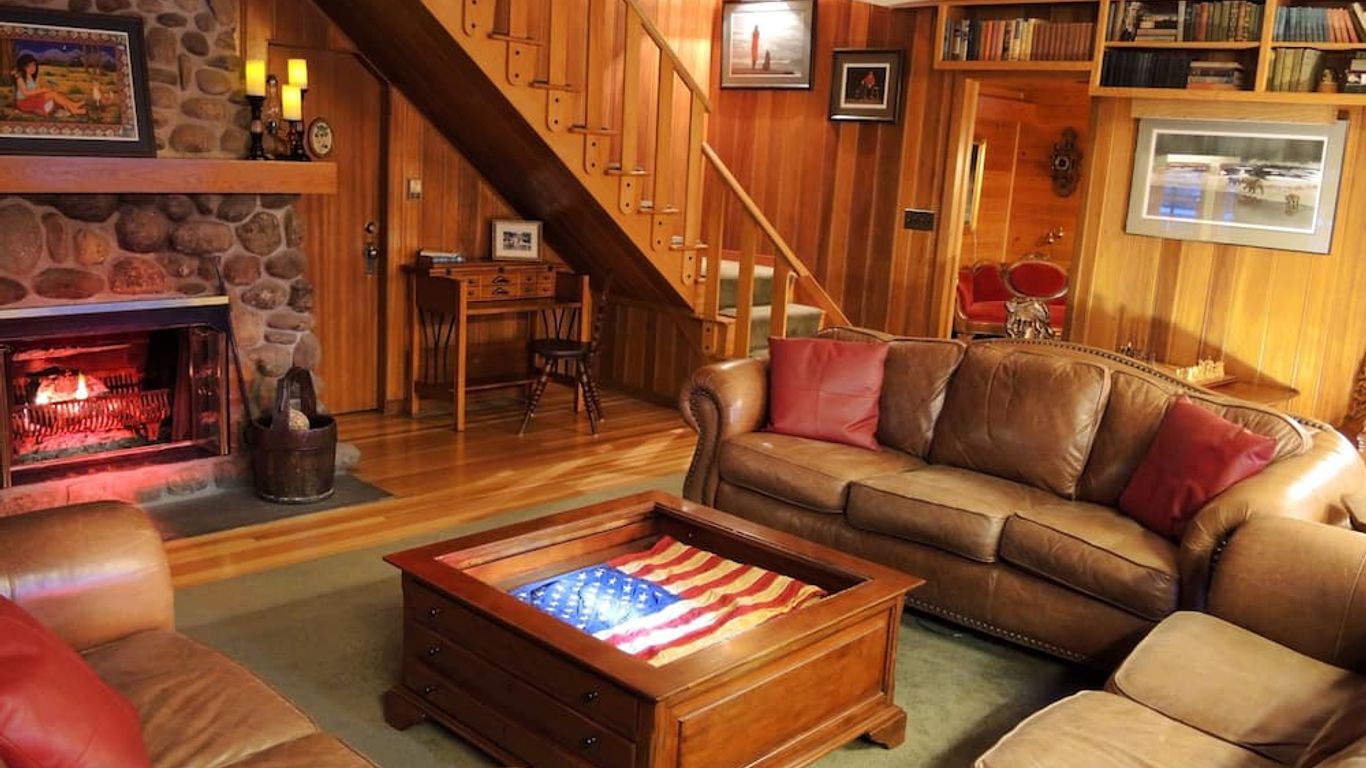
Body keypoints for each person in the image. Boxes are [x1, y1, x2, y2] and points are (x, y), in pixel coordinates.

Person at [11, 53, 87, 117]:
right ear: (23, 67)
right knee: (52, 94)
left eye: (34, 65)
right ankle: (73, 109)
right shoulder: (20, 78)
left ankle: (73, 105)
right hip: (24, 103)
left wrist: (43, 89)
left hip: (31, 99)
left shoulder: (31, 77)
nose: (32, 68)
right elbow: (25, 93)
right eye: (29, 66)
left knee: (54, 93)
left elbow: (35, 89)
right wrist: (42, 90)